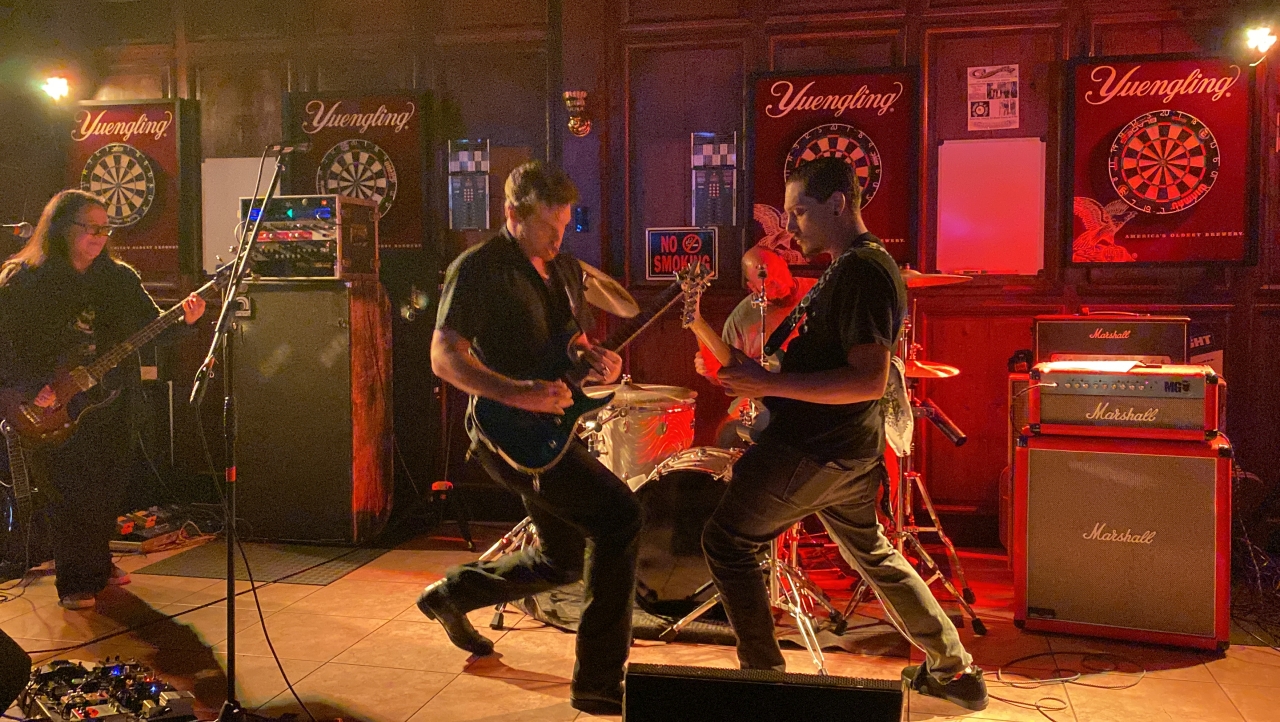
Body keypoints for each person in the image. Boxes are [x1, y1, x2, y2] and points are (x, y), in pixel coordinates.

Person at [700, 157, 988, 711]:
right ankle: (954, 670)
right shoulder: (847, 267)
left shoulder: (863, 272)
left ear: (838, 204)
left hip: (815, 449)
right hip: (844, 450)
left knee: (727, 541)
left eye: (800, 213)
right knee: (873, 553)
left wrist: (767, 383)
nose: (789, 228)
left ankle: (764, 681)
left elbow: (866, 381)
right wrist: (762, 373)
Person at [419, 161, 639, 716]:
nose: (558, 240)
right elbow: (444, 356)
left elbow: (572, 344)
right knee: (620, 517)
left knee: (562, 558)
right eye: (547, 227)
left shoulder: (561, 269)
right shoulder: (479, 267)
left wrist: (597, 360)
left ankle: (452, 595)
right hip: (504, 433)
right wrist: (518, 393)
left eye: (564, 227)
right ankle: (597, 682)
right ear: (513, 213)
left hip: (550, 431)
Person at [0, 190, 206, 611]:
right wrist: (30, 385)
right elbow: (6, 343)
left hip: (111, 402)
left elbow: (152, 329)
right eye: (90, 227)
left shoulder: (119, 279)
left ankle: (95, 562)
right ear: (61, 228)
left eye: (105, 228)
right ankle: (76, 582)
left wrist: (186, 321)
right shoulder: (23, 281)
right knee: (66, 492)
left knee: (106, 489)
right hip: (44, 404)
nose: (99, 236)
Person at [695, 246, 815, 445]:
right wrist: (711, 370)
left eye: (779, 273)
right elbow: (728, 376)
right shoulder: (740, 319)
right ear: (753, 287)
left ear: (785, 263)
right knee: (727, 436)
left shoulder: (821, 292)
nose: (778, 283)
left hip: (810, 393)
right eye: (767, 282)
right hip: (759, 399)